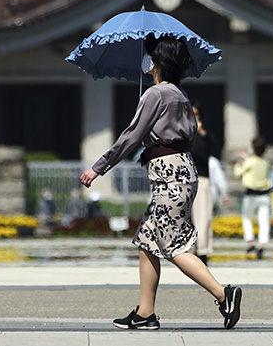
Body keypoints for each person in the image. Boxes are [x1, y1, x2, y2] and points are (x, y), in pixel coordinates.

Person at [79, 36, 242, 331]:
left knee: (173, 245)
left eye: (150, 57)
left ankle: (223, 294)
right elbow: (189, 135)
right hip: (182, 170)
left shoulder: (156, 95)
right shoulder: (180, 95)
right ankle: (145, 313)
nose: (147, 61)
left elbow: (130, 135)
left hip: (168, 174)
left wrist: (98, 168)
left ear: (158, 63)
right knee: (147, 241)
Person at [235, 135, 273, 260]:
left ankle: (250, 241)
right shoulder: (265, 162)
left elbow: (238, 173)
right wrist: (248, 158)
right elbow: (256, 163)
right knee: (264, 221)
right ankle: (262, 245)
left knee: (246, 217)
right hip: (265, 195)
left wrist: (240, 163)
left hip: (251, 195)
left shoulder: (249, 161)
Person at [189, 102, 218, 266]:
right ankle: (187, 249)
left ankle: (203, 250)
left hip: (201, 178)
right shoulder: (182, 132)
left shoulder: (204, 135)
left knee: (203, 216)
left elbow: (212, 146)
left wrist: (200, 131)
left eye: (196, 114)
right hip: (184, 179)